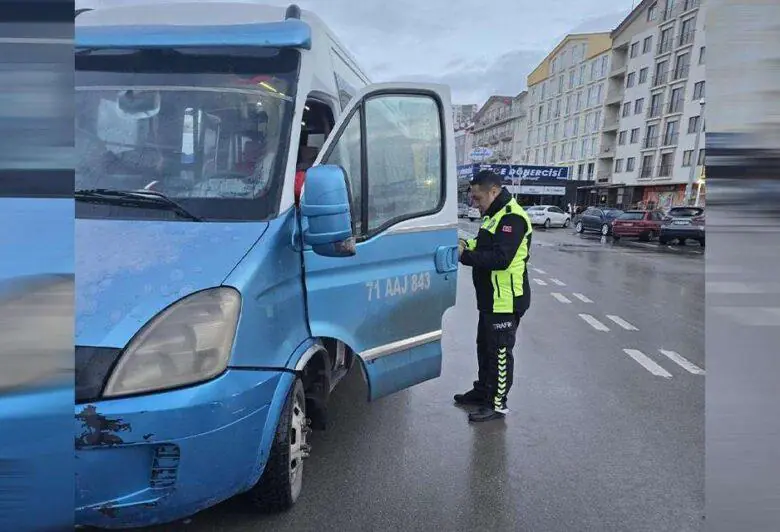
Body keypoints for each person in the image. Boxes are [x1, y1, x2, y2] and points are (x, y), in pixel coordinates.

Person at [456, 170, 533, 423]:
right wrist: (466, 244)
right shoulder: (493, 215)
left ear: (494, 191)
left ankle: (497, 404)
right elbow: (483, 244)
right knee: (485, 348)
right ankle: (483, 391)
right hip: (491, 298)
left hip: (506, 299)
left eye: (478, 199)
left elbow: (501, 259)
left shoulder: (513, 218)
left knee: (499, 352)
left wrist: (463, 256)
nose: (475, 204)